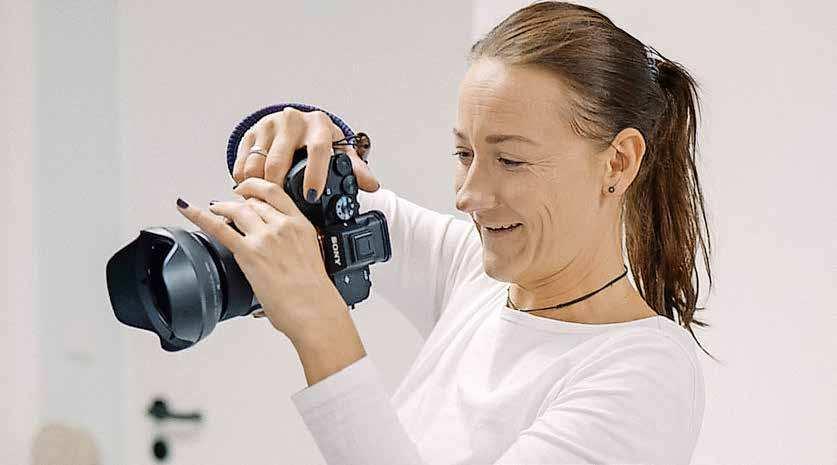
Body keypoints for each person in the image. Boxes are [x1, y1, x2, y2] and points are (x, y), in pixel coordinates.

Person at [177, 1, 715, 463]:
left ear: (618, 162)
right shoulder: (475, 277)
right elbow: (323, 202)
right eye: (464, 153)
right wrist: (298, 133)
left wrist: (320, 327)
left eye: (510, 160)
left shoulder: (643, 377)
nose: (468, 196)